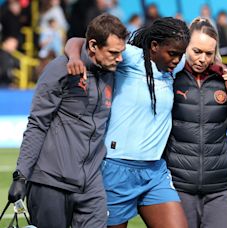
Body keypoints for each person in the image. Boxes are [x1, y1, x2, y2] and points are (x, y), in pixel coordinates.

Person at [65, 17, 191, 228]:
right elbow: (78, 40)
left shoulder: (173, 67)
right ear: (154, 46)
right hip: (116, 168)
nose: (178, 60)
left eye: (181, 54)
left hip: (155, 171)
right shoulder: (132, 56)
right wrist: (74, 58)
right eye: (173, 54)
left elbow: (202, 60)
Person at [7, 13, 129, 228]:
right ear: (93, 46)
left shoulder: (113, 68)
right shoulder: (59, 69)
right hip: (50, 182)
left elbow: (77, 42)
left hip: (91, 184)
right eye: (113, 52)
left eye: (121, 52)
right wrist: (21, 176)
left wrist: (75, 52)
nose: (119, 58)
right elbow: (37, 123)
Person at [164, 17, 227, 228]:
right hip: (179, 185)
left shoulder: (224, 80)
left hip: (219, 186)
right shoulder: (168, 79)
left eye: (208, 53)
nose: (202, 59)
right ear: (185, 46)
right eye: (197, 51)